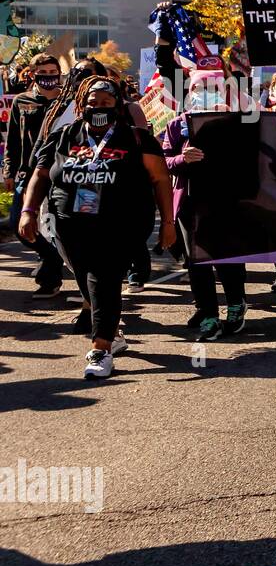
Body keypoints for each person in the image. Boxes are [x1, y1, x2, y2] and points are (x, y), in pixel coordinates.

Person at [17, 77, 176, 378]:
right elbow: (40, 175)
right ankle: (112, 331)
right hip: (69, 225)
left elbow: (160, 181)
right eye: (92, 103)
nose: (98, 108)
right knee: (86, 278)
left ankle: (100, 349)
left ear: (118, 105)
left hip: (122, 224)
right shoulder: (64, 135)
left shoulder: (138, 138)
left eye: (106, 103)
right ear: (81, 105)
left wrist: (167, 223)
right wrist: (28, 211)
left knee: (104, 277)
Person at [160, 94, 248, 340]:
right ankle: (209, 314)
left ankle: (235, 306)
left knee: (226, 257)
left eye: (213, 87)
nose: (206, 93)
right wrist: (182, 158)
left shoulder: (235, 121)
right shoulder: (178, 123)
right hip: (189, 203)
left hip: (226, 200)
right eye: (199, 87)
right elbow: (164, 161)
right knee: (197, 261)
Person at [3, 53, 66, 299]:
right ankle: (52, 257)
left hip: (58, 172)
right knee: (18, 224)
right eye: (44, 73)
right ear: (32, 74)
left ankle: (49, 280)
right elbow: (13, 143)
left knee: (57, 225)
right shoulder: (22, 101)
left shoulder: (69, 101)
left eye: (54, 73)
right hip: (28, 173)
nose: (49, 78)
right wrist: (9, 171)